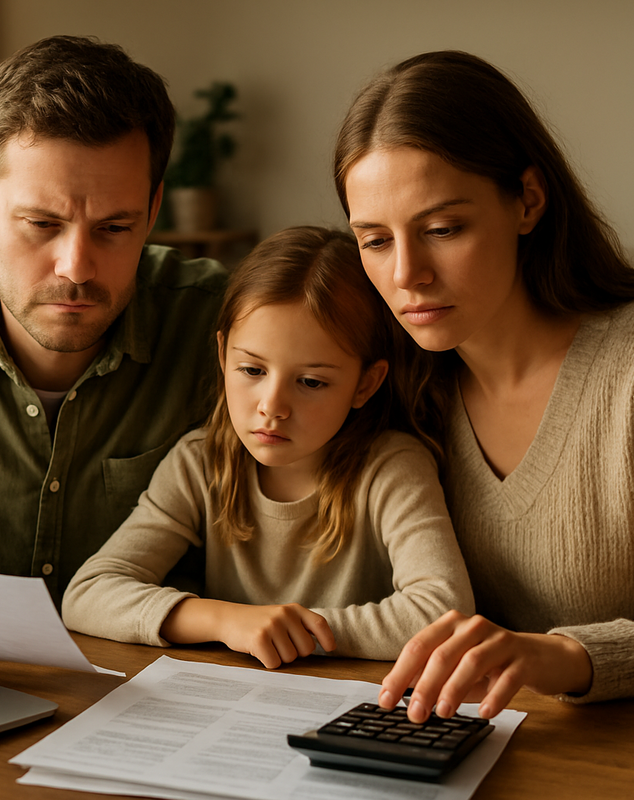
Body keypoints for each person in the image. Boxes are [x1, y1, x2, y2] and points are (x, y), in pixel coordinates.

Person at [0, 35, 228, 670]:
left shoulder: (221, 325)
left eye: (114, 228)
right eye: (42, 224)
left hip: (154, 699)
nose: (77, 267)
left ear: (153, 208)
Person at [334, 49, 634, 719]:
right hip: (466, 749)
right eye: (375, 240)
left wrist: (564, 656)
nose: (407, 275)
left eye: (442, 229)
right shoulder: (387, 383)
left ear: (528, 201)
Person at [61, 226, 474, 668]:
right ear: (223, 357)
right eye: (252, 370)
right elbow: (87, 594)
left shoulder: (392, 467)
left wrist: (290, 632)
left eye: (311, 382)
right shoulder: (198, 462)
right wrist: (227, 622)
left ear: (365, 383)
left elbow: (444, 613)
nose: (273, 408)